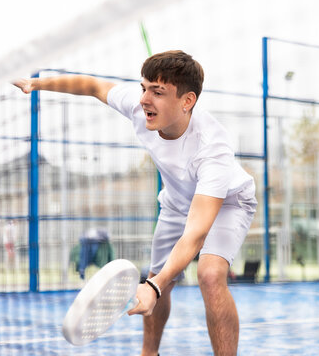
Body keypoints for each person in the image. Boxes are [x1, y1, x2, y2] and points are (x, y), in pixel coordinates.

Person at [14, 50, 257, 356]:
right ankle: (148, 353)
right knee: (158, 277)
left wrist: (153, 287)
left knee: (209, 274)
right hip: (176, 202)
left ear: (187, 101)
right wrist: (35, 84)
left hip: (228, 204)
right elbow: (93, 87)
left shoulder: (213, 148)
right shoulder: (139, 109)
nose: (145, 99)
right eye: (144, 88)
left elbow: (195, 234)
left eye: (158, 92)